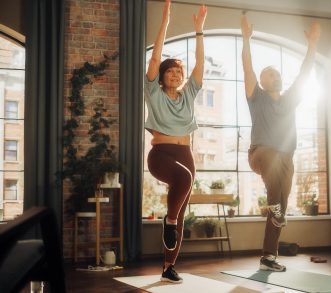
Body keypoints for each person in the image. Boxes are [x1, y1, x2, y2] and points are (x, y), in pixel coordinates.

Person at [240, 14, 321, 272]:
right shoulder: (257, 97)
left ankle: (268, 257)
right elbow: (247, 68)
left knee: (279, 209)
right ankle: (275, 207)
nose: (275, 76)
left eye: (276, 73)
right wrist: (245, 39)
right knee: (273, 173)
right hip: (260, 153)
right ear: (262, 82)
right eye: (270, 74)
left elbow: (305, 72)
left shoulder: (289, 99)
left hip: (286, 157)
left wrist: (313, 44)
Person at [145, 0, 207, 284]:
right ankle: (168, 223)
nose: (176, 74)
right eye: (170, 71)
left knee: (180, 212)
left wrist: (199, 32)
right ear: (161, 77)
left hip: (185, 151)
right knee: (182, 183)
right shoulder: (154, 93)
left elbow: (200, 65)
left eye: (178, 72)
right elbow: (155, 58)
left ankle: (168, 266)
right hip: (161, 154)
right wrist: (166, 22)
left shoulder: (188, 95)